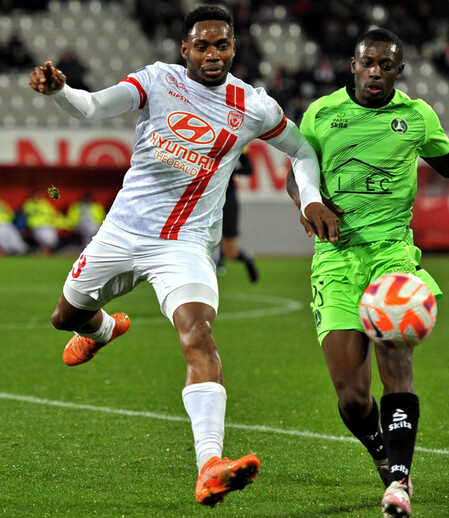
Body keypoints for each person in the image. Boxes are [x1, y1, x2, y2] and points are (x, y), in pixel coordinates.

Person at [29, 4, 337, 508]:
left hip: (186, 245)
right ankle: (104, 330)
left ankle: (210, 465)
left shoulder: (253, 106)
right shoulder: (157, 81)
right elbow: (90, 107)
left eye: (222, 45)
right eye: (203, 45)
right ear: (185, 49)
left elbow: (302, 150)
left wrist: (310, 199)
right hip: (122, 233)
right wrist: (60, 90)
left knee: (199, 336)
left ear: (234, 48)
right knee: (66, 317)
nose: (213, 54)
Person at [286, 28, 449, 518]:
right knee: (351, 398)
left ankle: (400, 483)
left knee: (397, 368)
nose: (376, 72)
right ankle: (382, 454)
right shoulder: (322, 114)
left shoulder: (415, 115)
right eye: (368, 63)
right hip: (338, 260)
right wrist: (309, 204)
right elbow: (298, 173)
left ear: (398, 71)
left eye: (387, 65)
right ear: (353, 65)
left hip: (393, 259)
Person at [215, 148, 258, 283]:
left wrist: (230, 170)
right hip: (208, 199)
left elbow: (248, 169)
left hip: (227, 199)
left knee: (230, 251)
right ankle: (216, 266)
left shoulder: (236, 142)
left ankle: (247, 261)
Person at [21, 190, 61, 255]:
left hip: (47, 225)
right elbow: (25, 215)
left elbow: (53, 214)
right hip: (36, 226)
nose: (38, 197)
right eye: (36, 195)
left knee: (53, 240)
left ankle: (46, 251)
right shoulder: (28, 204)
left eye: (39, 195)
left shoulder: (45, 204)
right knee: (44, 238)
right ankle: (43, 250)